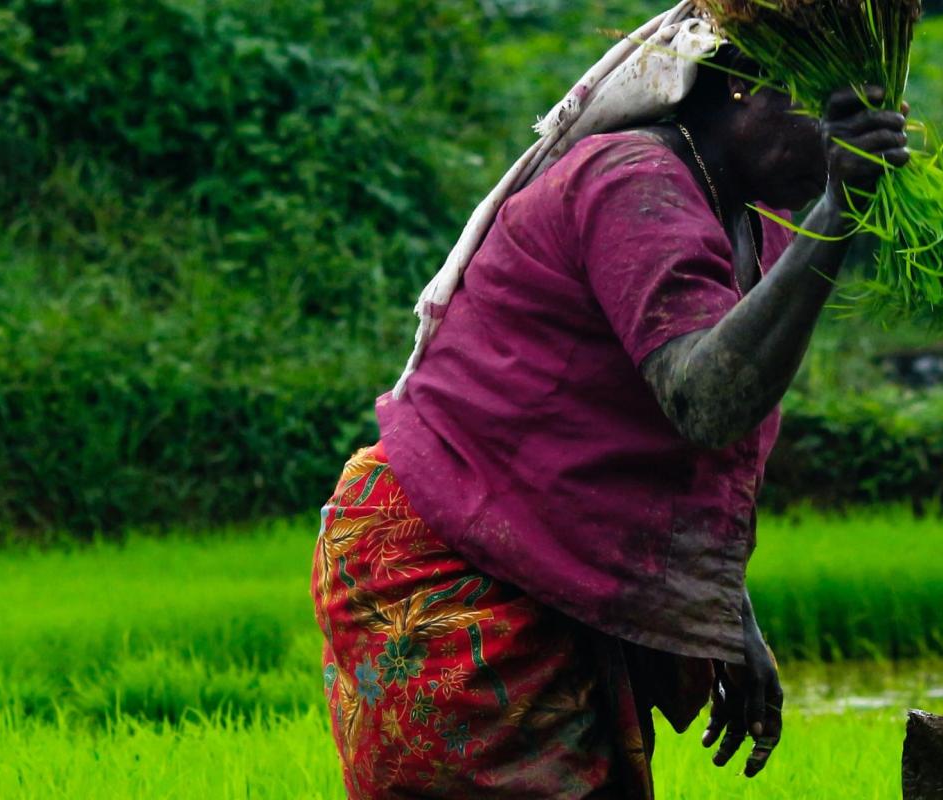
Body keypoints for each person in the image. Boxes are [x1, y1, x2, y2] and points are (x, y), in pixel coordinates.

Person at [309, 4, 908, 796]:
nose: (843, 143)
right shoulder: (635, 181)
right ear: (749, 89)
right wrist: (836, 210)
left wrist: (730, 617)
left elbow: (666, 453)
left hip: (548, 559)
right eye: (833, 117)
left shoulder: (755, 225)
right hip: (451, 568)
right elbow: (703, 402)